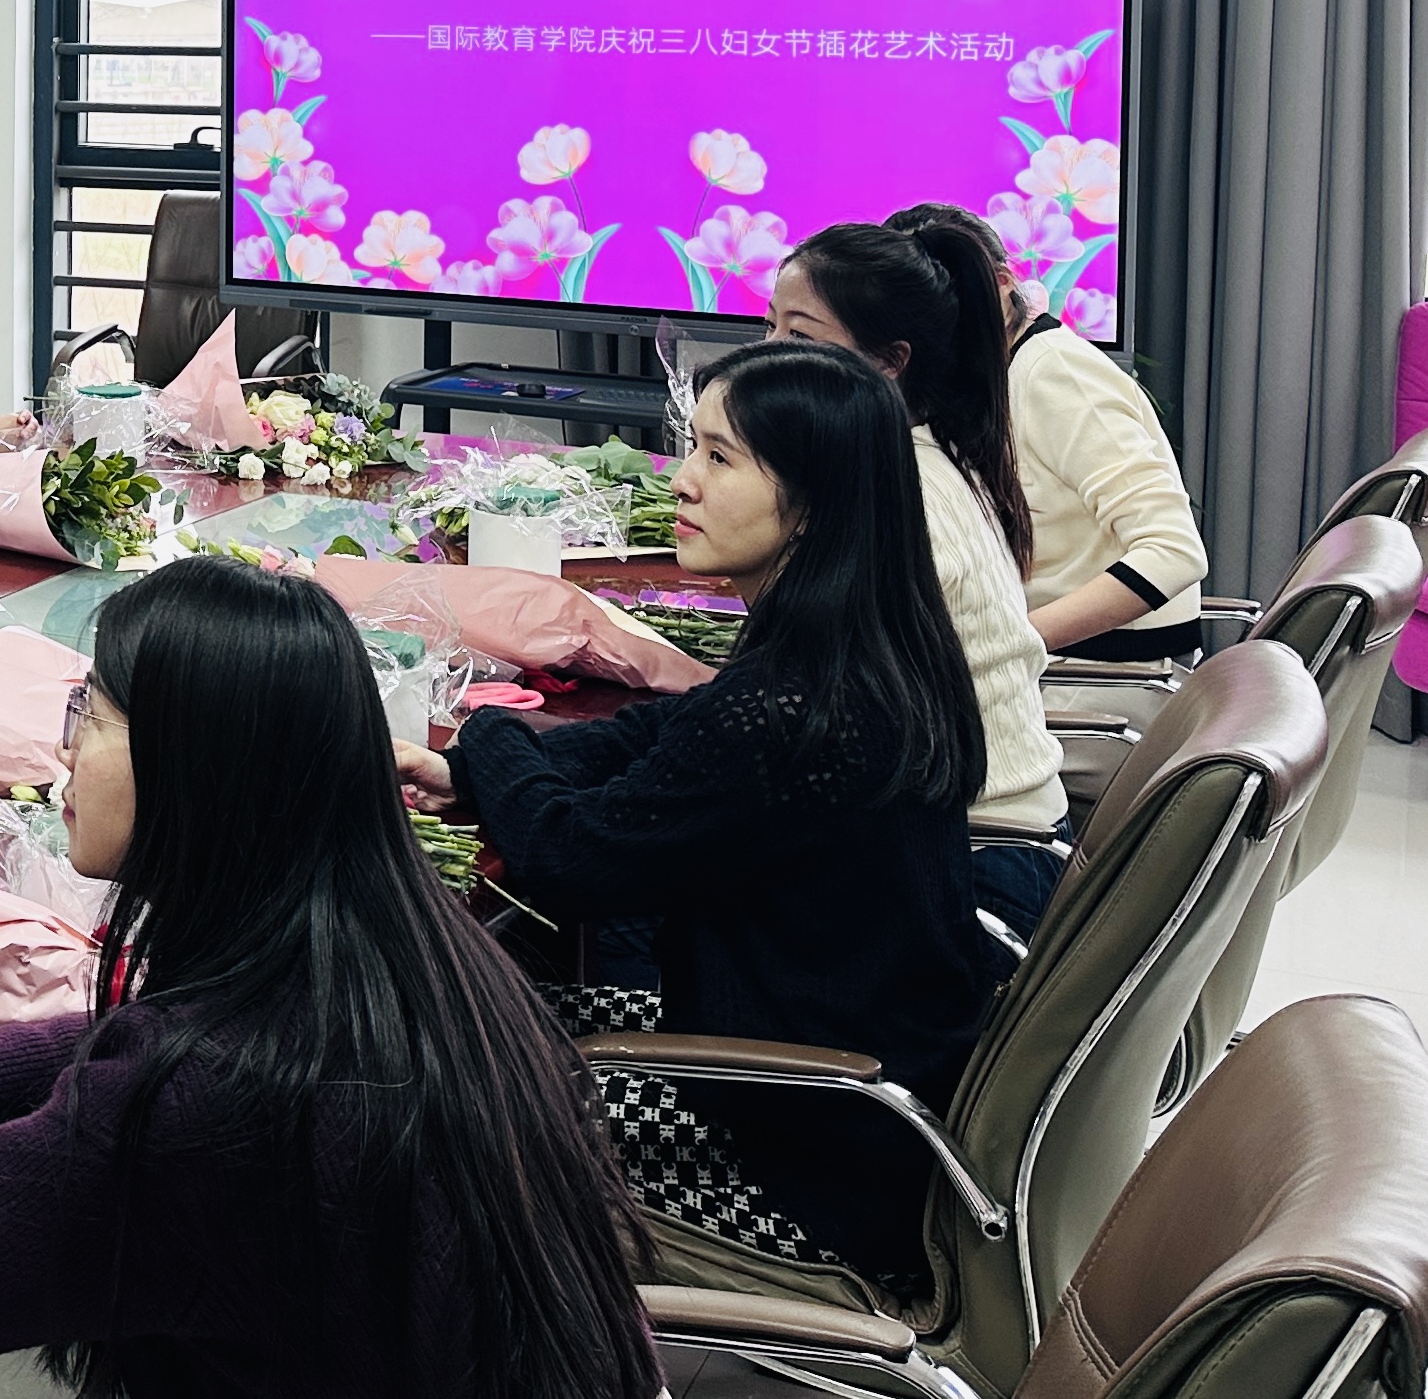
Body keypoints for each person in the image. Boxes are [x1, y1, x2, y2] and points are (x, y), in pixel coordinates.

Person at [0, 556, 707, 1399]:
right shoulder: (412, 948)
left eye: (89, 715)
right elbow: (163, 1041)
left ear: (198, 762)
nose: (61, 751)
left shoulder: (200, 1106)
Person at [419, 342, 1006, 1290]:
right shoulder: (867, 646)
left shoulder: (789, 712)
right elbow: (663, 732)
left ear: (812, 501)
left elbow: (568, 858)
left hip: (797, 1158)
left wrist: (487, 734)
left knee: (413, 1091)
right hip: (847, 1094)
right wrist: (466, 768)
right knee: (460, 1011)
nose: (683, 480)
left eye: (720, 457)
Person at [768, 218, 1067, 930]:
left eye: (800, 336)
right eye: (768, 326)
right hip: (984, 838)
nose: (768, 354)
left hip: (972, 868)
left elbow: (805, 717)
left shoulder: (901, 496)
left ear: (890, 362)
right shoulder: (929, 456)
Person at [889, 200, 1210, 658]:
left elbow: (1173, 550)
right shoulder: (993, 374)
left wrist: (1004, 645)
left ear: (1003, 283)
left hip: (1093, 671)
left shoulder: (1055, 371)